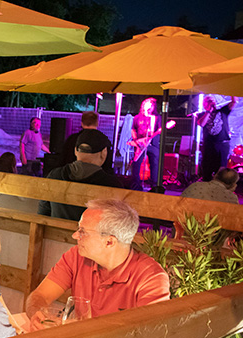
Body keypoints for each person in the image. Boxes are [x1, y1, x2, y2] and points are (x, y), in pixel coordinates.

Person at [25, 200, 169, 329]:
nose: (75, 236)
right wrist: (37, 315)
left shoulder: (152, 278)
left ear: (109, 242)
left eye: (82, 231)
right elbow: (39, 296)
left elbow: (150, 332)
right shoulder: (76, 256)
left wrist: (79, 328)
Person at [39, 129, 122, 221]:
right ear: (104, 153)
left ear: (75, 150)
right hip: (90, 235)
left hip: (54, 234)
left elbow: (43, 212)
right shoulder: (112, 185)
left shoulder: (54, 175)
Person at [198, 96, 237, 181]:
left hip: (222, 145)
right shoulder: (202, 114)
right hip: (209, 145)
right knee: (207, 168)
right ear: (204, 104)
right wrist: (208, 111)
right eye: (208, 101)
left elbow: (234, 102)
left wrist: (233, 92)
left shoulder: (223, 111)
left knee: (221, 169)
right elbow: (201, 123)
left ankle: (220, 187)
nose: (211, 102)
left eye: (212, 100)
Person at [131, 98, 162, 189]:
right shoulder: (137, 117)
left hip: (153, 144)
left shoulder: (156, 118)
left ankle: (154, 185)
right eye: (149, 104)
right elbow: (133, 129)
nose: (150, 106)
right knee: (136, 163)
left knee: (155, 164)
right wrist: (136, 140)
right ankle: (136, 185)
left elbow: (159, 130)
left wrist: (157, 133)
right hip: (140, 144)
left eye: (152, 105)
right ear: (143, 105)